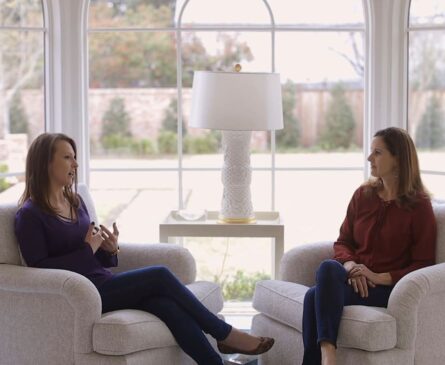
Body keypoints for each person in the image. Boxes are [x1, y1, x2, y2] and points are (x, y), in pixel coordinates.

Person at [14, 133, 274, 365]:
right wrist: (87, 249)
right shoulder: (29, 215)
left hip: (103, 283)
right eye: (68, 157)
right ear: (46, 163)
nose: (76, 164)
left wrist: (110, 249)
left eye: (75, 157)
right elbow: (40, 271)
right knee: (159, 274)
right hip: (81, 298)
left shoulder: (75, 201)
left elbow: (96, 258)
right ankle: (225, 334)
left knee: (166, 305)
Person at [301, 127, 437, 365]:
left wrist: (376, 276)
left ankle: (323, 359)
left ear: (398, 159)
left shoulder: (419, 206)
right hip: (355, 282)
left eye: (377, 152)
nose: (369, 158)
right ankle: (328, 355)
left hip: (387, 289)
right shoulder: (363, 195)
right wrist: (353, 267)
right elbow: (343, 242)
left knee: (314, 296)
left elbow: (423, 264)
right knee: (327, 270)